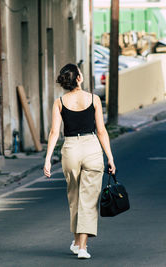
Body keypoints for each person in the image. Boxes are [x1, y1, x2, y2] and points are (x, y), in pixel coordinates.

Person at [43, 63, 116, 259]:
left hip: (70, 149)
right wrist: (109, 156)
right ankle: (82, 247)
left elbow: (54, 132)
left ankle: (77, 242)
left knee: (74, 197)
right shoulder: (94, 99)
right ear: (79, 78)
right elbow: (101, 130)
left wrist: (48, 159)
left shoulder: (59, 102)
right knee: (88, 200)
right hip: (91, 147)